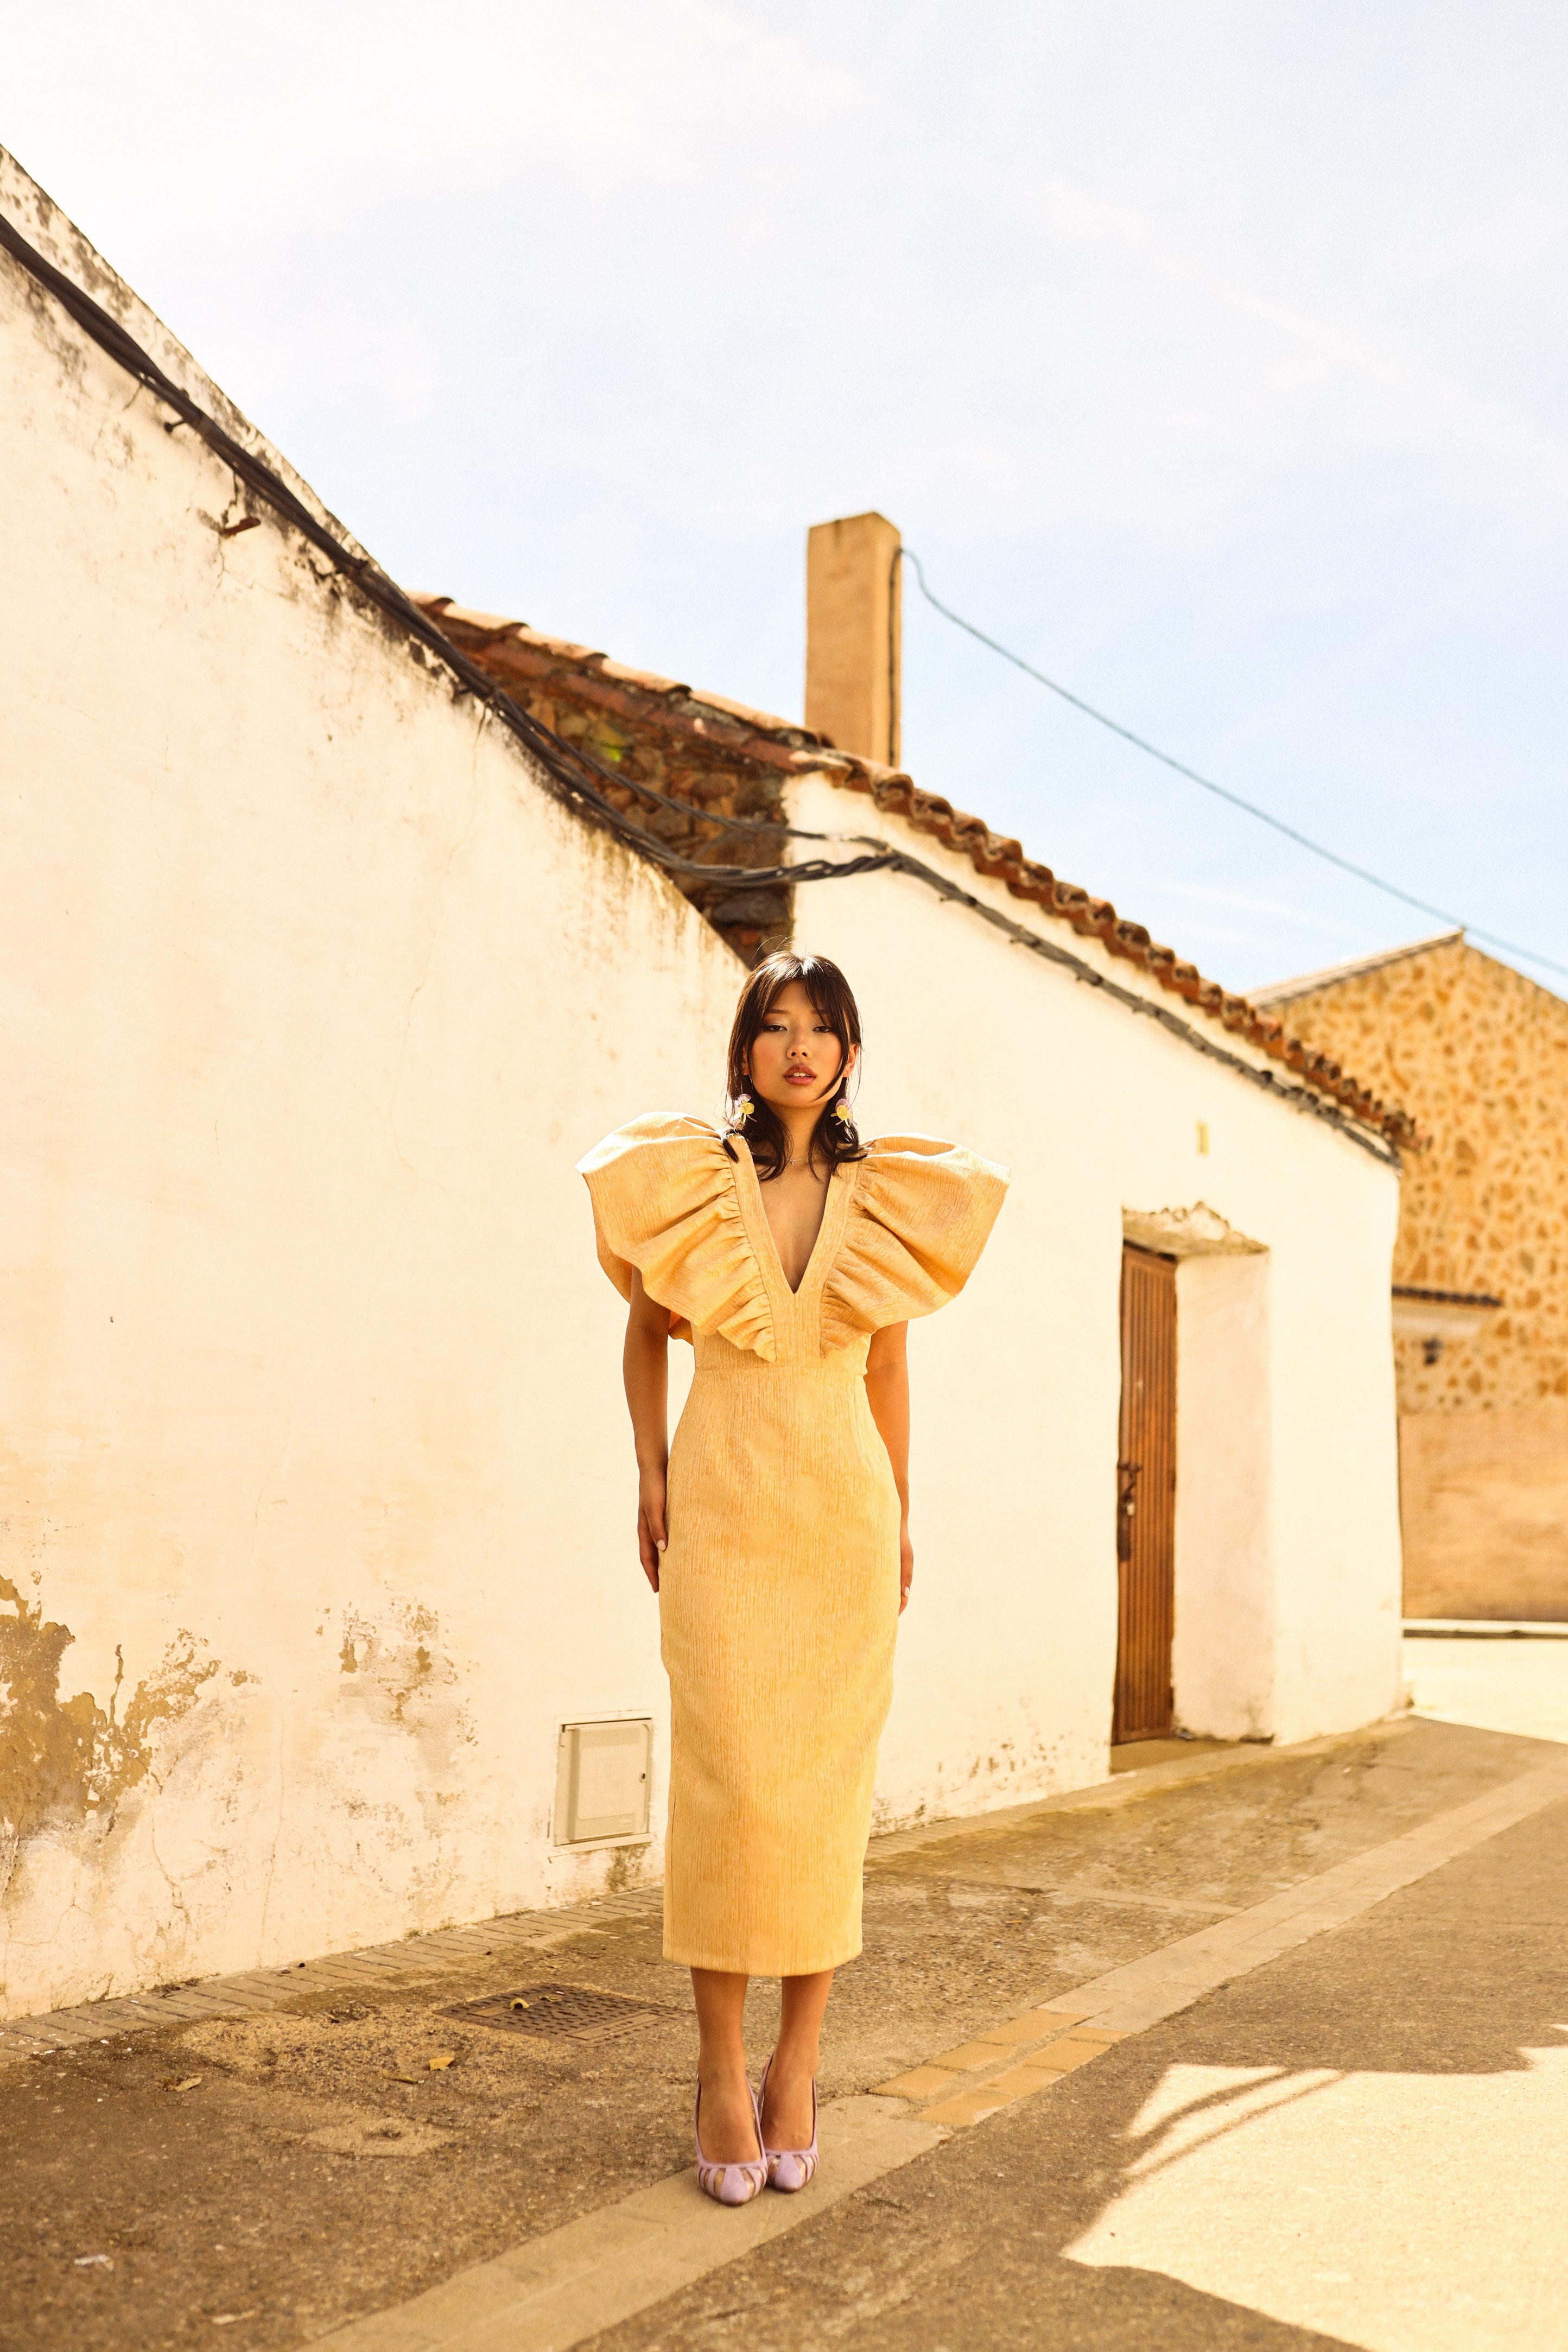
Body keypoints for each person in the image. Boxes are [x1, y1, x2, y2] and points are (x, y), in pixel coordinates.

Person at [578, 951, 1007, 2205]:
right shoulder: (692, 1189)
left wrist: (903, 1514)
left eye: (822, 1027)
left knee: (821, 1794)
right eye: (776, 1026)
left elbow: (887, 1373)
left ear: (851, 1053)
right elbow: (643, 1334)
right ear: (744, 1053)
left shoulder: (886, 1200)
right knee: (730, 1786)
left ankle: (797, 2066)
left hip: (840, 1517)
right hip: (720, 1504)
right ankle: (717, 2065)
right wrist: (649, 1475)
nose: (800, 1046)